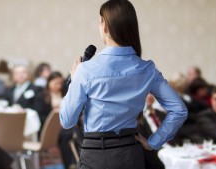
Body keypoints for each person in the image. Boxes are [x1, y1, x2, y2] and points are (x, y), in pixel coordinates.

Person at [59, 1, 188, 168]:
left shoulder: (86, 70)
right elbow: (179, 109)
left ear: (104, 26)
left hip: (97, 155)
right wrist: (152, 143)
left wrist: (74, 80)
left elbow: (67, 121)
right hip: (131, 154)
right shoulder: (147, 69)